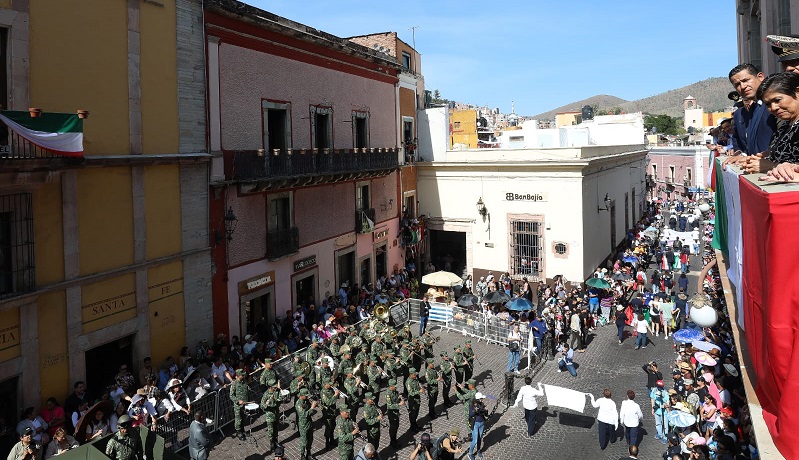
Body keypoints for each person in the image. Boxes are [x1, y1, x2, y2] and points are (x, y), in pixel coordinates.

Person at [295, 388, 316, 460]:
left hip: (309, 423)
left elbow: (310, 413)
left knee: (310, 439)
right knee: (304, 441)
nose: (307, 397)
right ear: (301, 395)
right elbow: (304, 415)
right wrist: (312, 408)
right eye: (306, 396)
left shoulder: (306, 401)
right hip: (303, 424)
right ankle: (302, 455)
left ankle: (309, 454)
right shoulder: (298, 404)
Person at [229, 369, 250, 440]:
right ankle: (238, 432)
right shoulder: (234, 384)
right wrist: (238, 401)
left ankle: (243, 430)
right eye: (242, 375)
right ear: (238, 376)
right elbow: (231, 395)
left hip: (245, 403)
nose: (244, 376)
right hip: (238, 405)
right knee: (238, 419)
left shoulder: (244, 381)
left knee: (243, 417)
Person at [467, 393, 488, 460]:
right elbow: (470, 414)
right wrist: (475, 411)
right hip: (475, 424)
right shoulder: (472, 405)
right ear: (478, 399)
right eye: (481, 398)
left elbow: (486, 415)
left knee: (479, 438)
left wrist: (486, 410)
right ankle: (470, 453)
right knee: (475, 440)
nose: (482, 399)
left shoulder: (482, 404)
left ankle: (478, 451)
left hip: (482, 423)